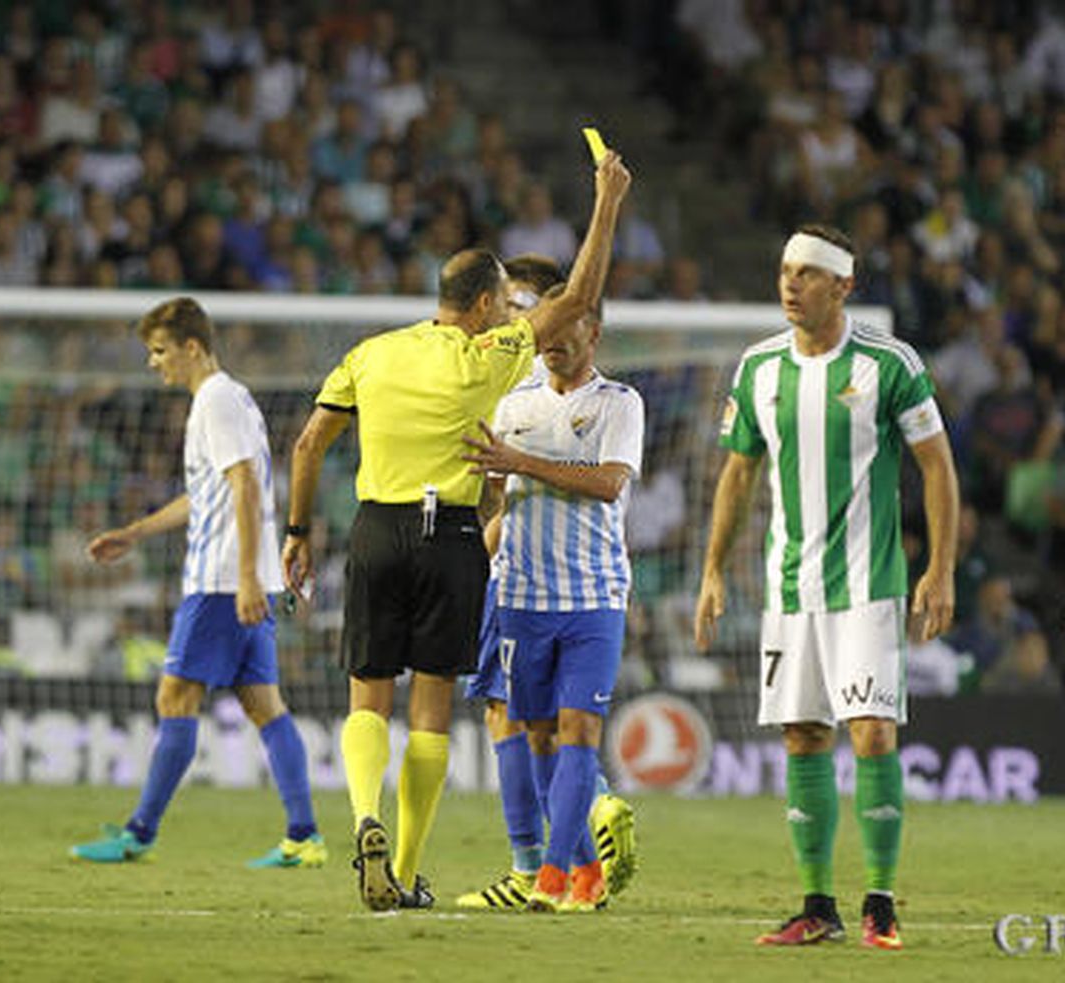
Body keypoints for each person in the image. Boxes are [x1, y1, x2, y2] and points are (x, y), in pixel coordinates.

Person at [282, 151, 631, 912]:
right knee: (431, 708)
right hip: (451, 540)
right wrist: (607, 203)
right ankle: (405, 871)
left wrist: (298, 530)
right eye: (503, 304)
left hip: (376, 529)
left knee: (367, 698)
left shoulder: (371, 353)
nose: (510, 316)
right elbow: (578, 297)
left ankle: (364, 819)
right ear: (479, 305)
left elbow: (308, 445)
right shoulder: (488, 355)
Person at [694, 223, 960, 950]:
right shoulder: (758, 368)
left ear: (843, 285)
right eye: (786, 269)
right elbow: (738, 473)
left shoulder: (888, 363)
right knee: (804, 734)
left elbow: (937, 465)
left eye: (807, 272)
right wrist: (713, 568)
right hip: (789, 587)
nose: (791, 283)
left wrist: (940, 568)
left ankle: (880, 901)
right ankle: (817, 905)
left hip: (868, 584)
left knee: (871, 730)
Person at [71, 297, 324, 869]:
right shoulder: (230, 399)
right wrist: (134, 533)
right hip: (245, 578)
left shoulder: (216, 400)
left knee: (175, 697)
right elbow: (208, 493)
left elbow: (246, 487)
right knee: (265, 705)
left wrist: (244, 579)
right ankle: (304, 835)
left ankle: (139, 832)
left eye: (160, 351)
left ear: (192, 347)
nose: (153, 362)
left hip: (222, 582)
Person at [455, 256, 638, 910]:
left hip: (593, 597)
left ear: (594, 332)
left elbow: (609, 483)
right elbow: (497, 497)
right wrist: (488, 491)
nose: (552, 339)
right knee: (534, 731)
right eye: (546, 329)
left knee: (578, 729)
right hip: (522, 598)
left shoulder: (619, 403)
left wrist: (520, 462)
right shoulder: (512, 403)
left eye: (566, 327)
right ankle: (581, 867)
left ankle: (549, 874)